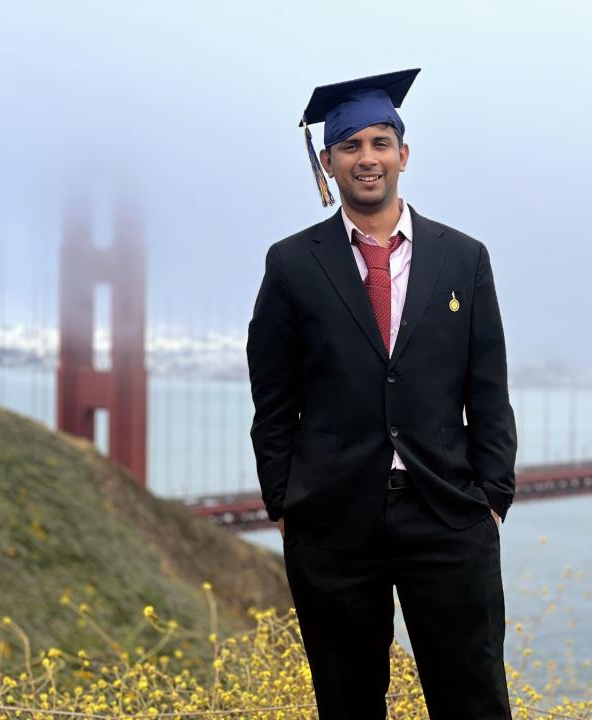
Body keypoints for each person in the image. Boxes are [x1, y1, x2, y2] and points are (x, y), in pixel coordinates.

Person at [246, 67, 517, 720]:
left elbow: (488, 387)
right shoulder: (291, 264)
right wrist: (284, 500)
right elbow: (273, 397)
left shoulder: (464, 258)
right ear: (329, 162)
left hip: (448, 511)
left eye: (378, 143)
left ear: (403, 153)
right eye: (350, 147)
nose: (366, 159)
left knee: (474, 700)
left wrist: (493, 497)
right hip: (333, 518)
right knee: (348, 701)